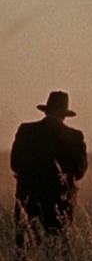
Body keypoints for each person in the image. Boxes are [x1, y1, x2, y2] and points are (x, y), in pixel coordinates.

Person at [9, 91, 88, 251]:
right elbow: (79, 170)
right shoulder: (74, 136)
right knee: (57, 253)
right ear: (64, 114)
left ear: (46, 110)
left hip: (28, 201)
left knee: (25, 251)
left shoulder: (25, 131)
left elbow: (14, 163)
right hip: (60, 205)